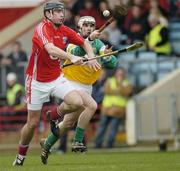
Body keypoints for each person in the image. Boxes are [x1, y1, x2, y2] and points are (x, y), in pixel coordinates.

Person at [13, 0, 100, 166]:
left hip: (56, 77)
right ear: (48, 14)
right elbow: (51, 49)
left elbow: (84, 42)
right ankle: (20, 156)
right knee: (31, 124)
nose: (62, 14)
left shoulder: (64, 30)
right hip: (36, 81)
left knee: (77, 102)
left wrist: (89, 56)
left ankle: (53, 115)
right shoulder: (41, 29)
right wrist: (72, 57)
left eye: (63, 11)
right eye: (58, 11)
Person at [40, 16, 117, 164]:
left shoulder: (99, 43)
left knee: (68, 123)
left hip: (87, 86)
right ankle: (78, 141)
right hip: (71, 83)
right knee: (92, 105)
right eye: (86, 26)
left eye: (91, 26)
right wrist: (87, 41)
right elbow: (78, 51)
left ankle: (47, 143)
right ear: (80, 28)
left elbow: (113, 63)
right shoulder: (71, 41)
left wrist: (108, 57)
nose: (89, 28)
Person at [95, 67, 133, 148]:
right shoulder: (110, 80)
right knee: (102, 128)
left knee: (113, 129)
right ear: (115, 73)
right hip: (107, 109)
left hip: (118, 110)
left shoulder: (127, 83)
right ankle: (98, 144)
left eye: (121, 73)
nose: (120, 74)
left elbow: (127, 92)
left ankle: (109, 145)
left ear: (123, 74)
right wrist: (118, 91)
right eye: (118, 73)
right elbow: (106, 90)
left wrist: (118, 86)